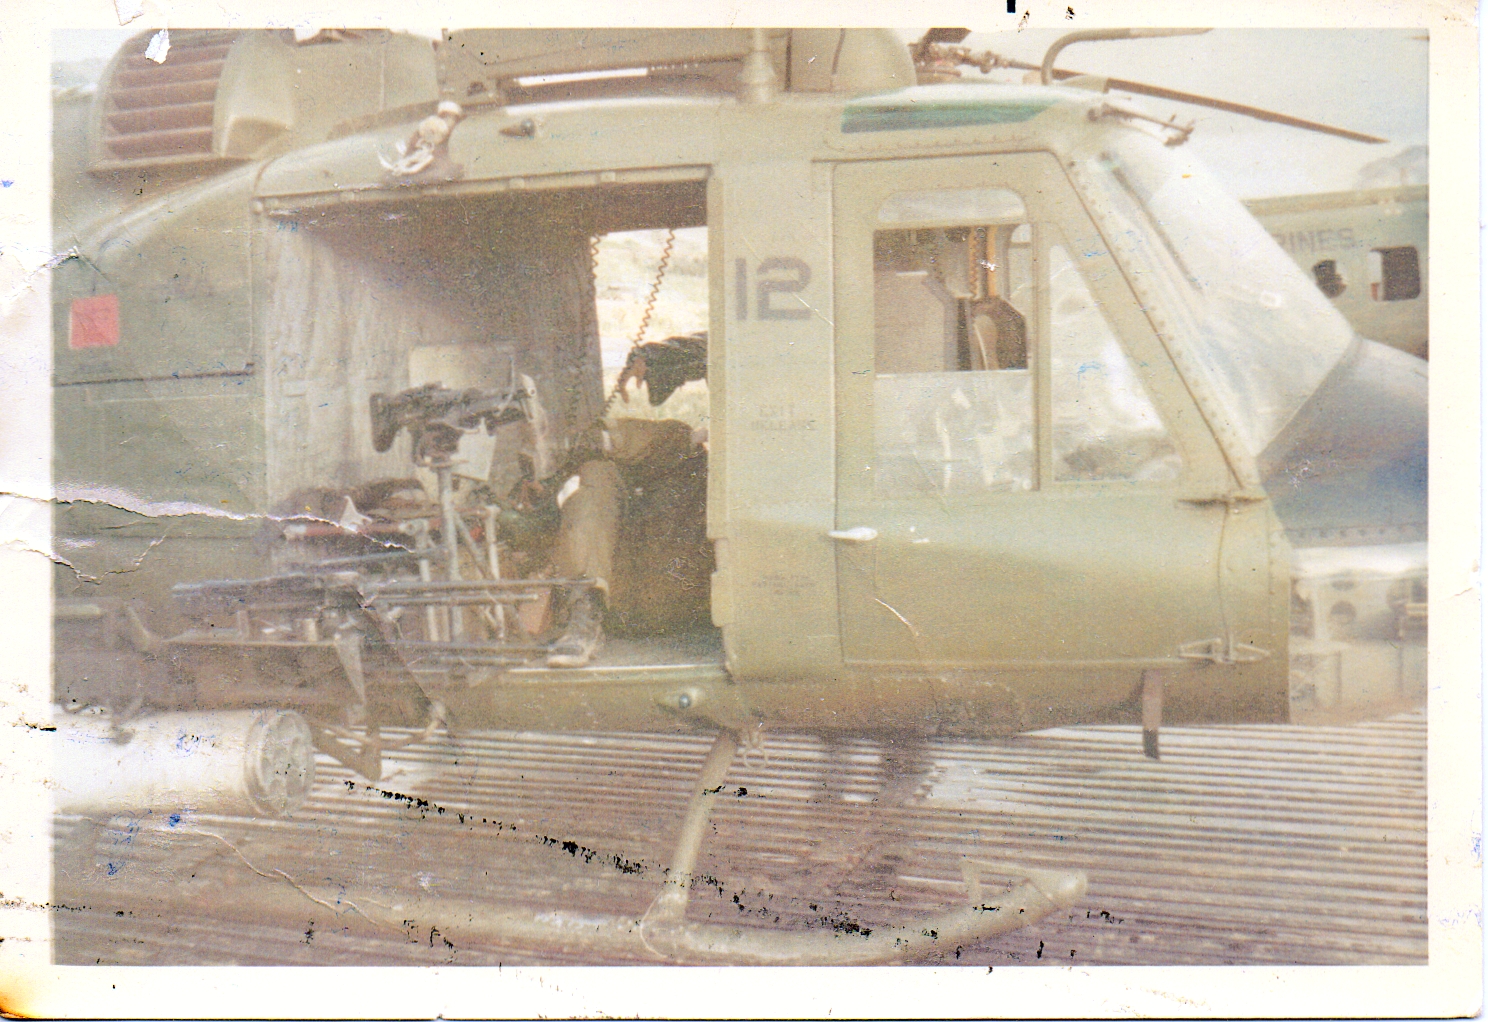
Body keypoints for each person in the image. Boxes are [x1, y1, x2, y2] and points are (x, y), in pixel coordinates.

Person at [545, 335, 709, 668]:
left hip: (678, 594)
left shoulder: (688, 457)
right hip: (622, 598)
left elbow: (727, 341)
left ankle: (605, 439)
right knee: (597, 471)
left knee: (680, 440)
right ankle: (585, 612)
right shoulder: (596, 483)